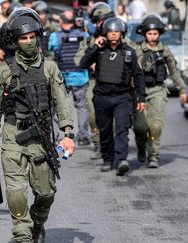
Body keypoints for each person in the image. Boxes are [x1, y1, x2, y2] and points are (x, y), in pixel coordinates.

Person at [0, 7, 75, 243]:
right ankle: (22, 235)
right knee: (16, 194)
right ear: (15, 40)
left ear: (37, 36)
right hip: (12, 134)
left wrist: (68, 134)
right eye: (22, 38)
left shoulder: (49, 67)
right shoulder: (3, 71)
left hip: (41, 135)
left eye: (31, 37)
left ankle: (36, 222)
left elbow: (62, 101)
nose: (27, 41)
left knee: (46, 193)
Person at [79, 17, 146, 176]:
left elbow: (138, 76)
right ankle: (108, 159)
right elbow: (83, 63)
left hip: (123, 97)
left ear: (122, 33)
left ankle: (122, 159)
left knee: (122, 129)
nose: (114, 34)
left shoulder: (129, 52)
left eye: (117, 32)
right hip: (102, 96)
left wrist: (142, 98)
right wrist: (95, 47)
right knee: (105, 130)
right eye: (111, 32)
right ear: (105, 34)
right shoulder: (99, 50)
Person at [133, 14, 187, 168]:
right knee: (140, 127)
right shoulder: (137, 50)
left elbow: (174, 71)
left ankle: (153, 156)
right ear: (144, 34)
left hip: (158, 90)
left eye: (155, 33)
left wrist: (182, 89)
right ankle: (141, 147)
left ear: (159, 34)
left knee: (155, 126)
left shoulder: (164, 50)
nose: (152, 36)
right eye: (149, 33)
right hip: (139, 92)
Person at [74, 2, 115, 159]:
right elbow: (78, 59)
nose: (101, 24)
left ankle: (111, 145)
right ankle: (98, 144)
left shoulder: (118, 37)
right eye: (98, 21)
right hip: (94, 81)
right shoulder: (90, 40)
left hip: (115, 83)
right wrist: (90, 59)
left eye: (104, 20)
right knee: (92, 115)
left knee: (114, 119)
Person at [49, 10, 91, 145]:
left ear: (61, 21)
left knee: (56, 107)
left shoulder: (55, 36)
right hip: (81, 76)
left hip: (62, 77)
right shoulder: (84, 34)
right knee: (82, 107)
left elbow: (51, 48)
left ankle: (54, 136)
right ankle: (84, 135)